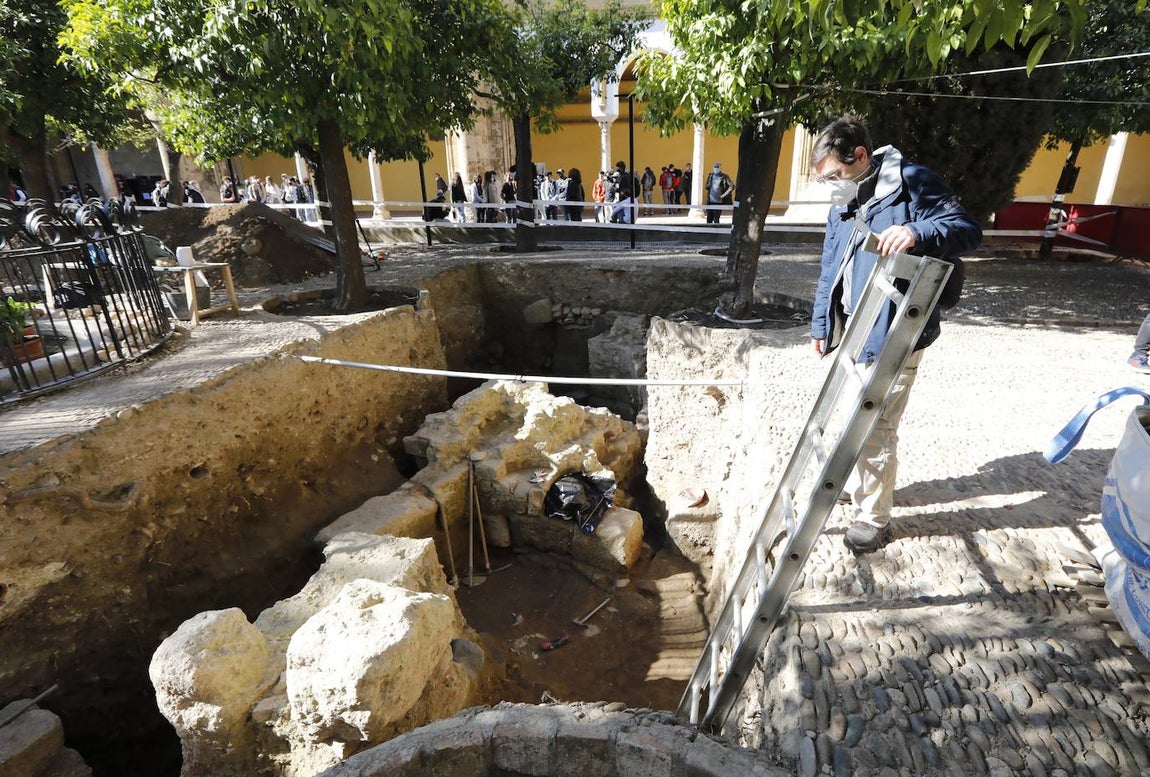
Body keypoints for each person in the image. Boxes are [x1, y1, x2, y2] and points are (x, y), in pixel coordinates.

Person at [809, 114, 981, 553]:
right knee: (854, 418)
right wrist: (822, 324)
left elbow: (967, 230)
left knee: (875, 425)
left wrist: (916, 230)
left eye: (834, 175)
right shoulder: (845, 199)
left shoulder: (913, 183)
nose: (831, 186)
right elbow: (831, 262)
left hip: (897, 330)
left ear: (861, 156)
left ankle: (872, 518)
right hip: (855, 328)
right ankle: (866, 487)